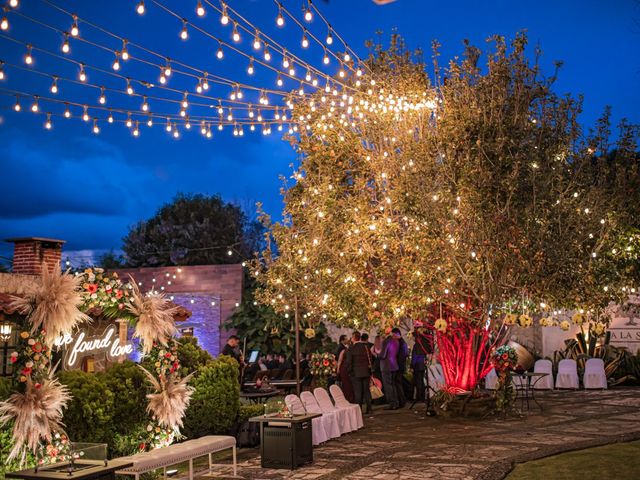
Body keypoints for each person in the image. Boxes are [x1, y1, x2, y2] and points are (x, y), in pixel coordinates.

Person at [345, 331, 372, 413]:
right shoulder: (366, 347)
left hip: (355, 373)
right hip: (366, 372)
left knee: (358, 392)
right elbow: (370, 359)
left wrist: (349, 371)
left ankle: (359, 410)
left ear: (353, 338)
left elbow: (349, 362)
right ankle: (369, 408)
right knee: (367, 391)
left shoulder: (351, 348)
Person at [378, 330, 400, 410]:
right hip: (394, 365)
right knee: (393, 385)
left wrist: (377, 355)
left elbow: (383, 355)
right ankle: (396, 402)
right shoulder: (396, 341)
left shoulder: (386, 341)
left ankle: (392, 403)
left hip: (386, 366)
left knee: (388, 386)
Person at [392, 328, 409, 408]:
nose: (392, 337)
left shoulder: (401, 343)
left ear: (396, 334)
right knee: (398, 383)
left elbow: (404, 355)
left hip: (399, 366)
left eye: (393, 335)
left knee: (398, 384)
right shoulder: (401, 342)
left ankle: (402, 401)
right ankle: (402, 401)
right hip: (399, 366)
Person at [410, 330, 428, 403]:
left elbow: (415, 357)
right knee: (421, 381)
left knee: (418, 382)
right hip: (422, 365)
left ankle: (419, 397)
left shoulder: (416, 346)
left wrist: (412, 366)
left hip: (417, 365)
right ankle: (422, 397)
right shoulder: (423, 345)